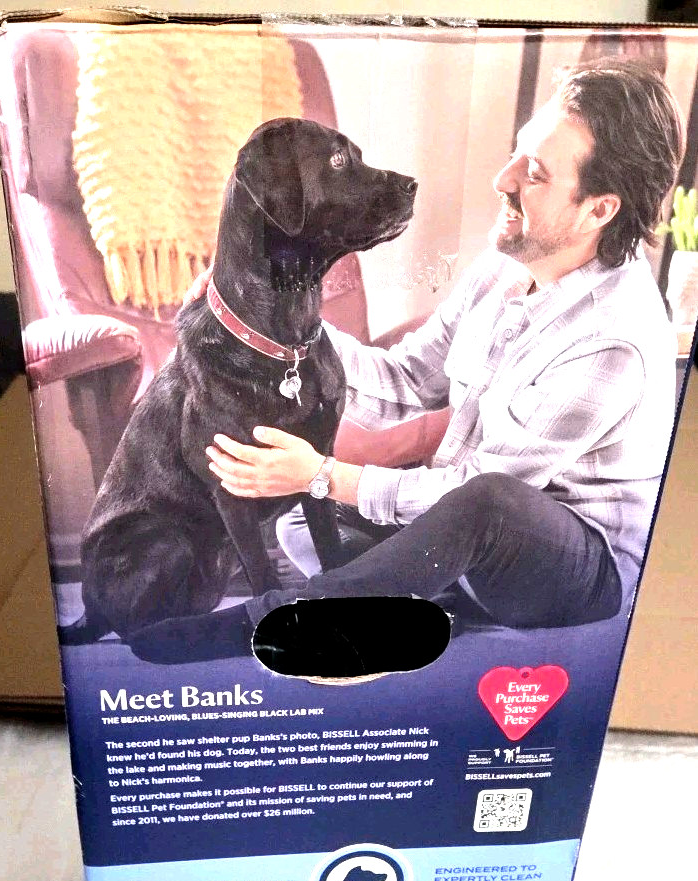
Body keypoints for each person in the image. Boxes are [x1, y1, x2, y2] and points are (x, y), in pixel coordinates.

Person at [130, 59, 686, 666]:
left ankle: (273, 622)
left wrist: (323, 475)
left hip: (574, 573)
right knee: (303, 522)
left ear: (599, 209)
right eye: (517, 153)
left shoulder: (613, 341)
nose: (501, 179)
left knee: (482, 501)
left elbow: (480, 489)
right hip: (468, 538)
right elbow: (404, 382)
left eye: (534, 174)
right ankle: (420, 607)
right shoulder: (505, 267)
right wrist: (263, 317)